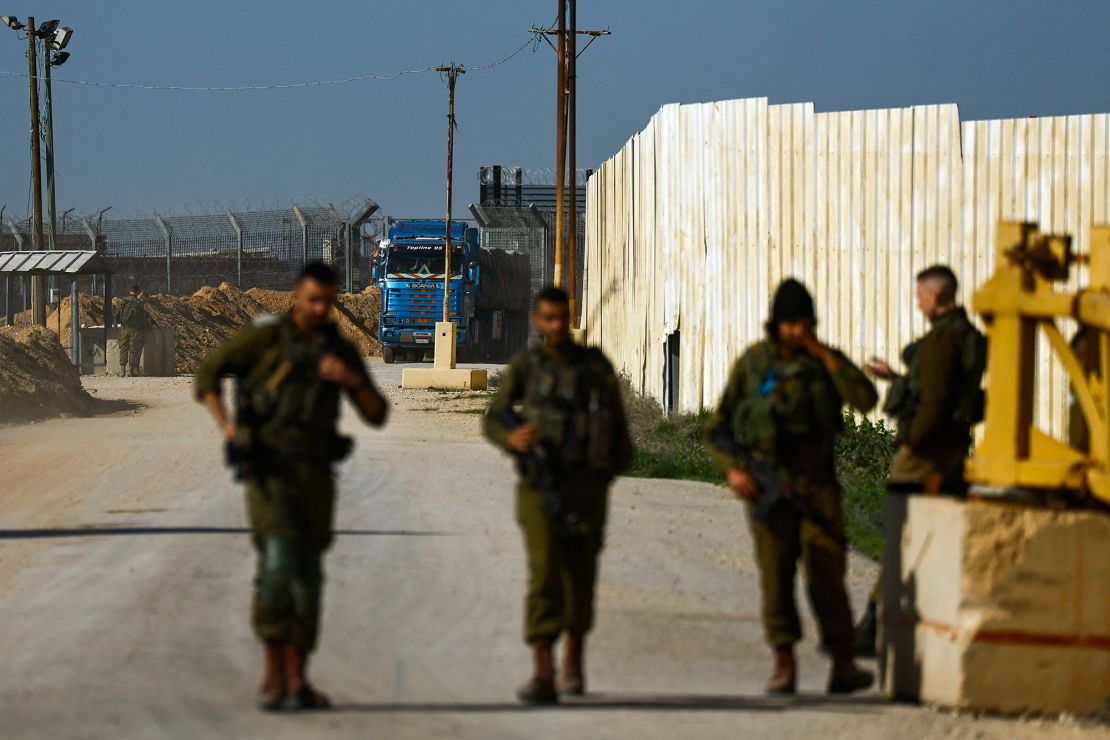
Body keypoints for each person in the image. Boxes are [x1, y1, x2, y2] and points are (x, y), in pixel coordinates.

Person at [195, 262, 388, 711]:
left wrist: (350, 380)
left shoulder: (337, 348)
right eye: (313, 299)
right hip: (269, 473)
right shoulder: (266, 339)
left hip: (316, 477)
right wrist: (226, 425)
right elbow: (208, 375)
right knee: (279, 566)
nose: (320, 309)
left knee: (309, 579)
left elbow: (376, 413)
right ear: (296, 296)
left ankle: (298, 678)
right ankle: (272, 674)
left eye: (328, 301)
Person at [703, 278, 877, 695]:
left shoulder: (823, 362)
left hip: (817, 487)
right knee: (776, 578)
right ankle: (784, 663)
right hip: (767, 487)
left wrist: (823, 355)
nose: (798, 331)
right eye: (791, 323)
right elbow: (718, 428)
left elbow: (866, 399)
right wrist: (734, 470)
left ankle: (843, 662)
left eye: (805, 323)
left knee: (827, 577)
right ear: (777, 324)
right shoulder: (754, 364)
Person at [482, 286, 632, 704]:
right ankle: (543, 670)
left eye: (559, 318)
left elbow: (619, 431)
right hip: (539, 488)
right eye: (546, 319)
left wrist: (604, 474)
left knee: (580, 575)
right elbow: (494, 416)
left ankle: (573, 662)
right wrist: (513, 436)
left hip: (585, 487)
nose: (554, 326)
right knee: (545, 573)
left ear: (569, 317)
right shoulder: (528, 367)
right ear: (537, 321)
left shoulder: (594, 366)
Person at [857, 264, 986, 655]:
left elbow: (931, 404)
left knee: (903, 537)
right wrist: (896, 378)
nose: (918, 304)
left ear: (933, 297)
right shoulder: (968, 339)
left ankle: (872, 628)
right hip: (951, 451)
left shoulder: (939, 343)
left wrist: (910, 442)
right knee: (933, 538)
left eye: (919, 297)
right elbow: (941, 393)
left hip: (922, 457)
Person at [118, 284, 150, 376]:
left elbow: (117, 314)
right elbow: (143, 317)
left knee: (123, 348)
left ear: (130, 291)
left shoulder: (123, 301)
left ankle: (122, 369)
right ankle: (132, 370)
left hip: (124, 328)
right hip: (135, 329)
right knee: (133, 349)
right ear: (137, 292)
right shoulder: (139, 303)